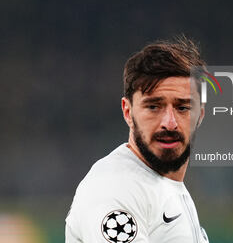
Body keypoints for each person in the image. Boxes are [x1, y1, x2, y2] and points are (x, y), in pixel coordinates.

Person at [65, 37, 209, 243]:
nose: (169, 123)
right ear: (127, 112)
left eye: (183, 107)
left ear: (200, 115)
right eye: (153, 107)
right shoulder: (115, 189)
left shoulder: (162, 186)